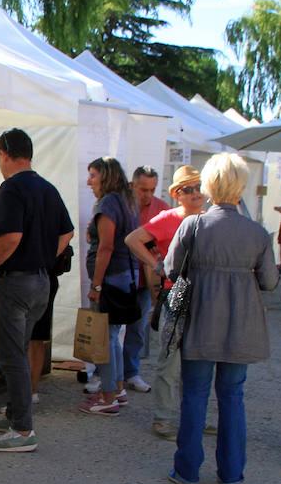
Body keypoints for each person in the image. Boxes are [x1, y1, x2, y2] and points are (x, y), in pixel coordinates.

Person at [163, 154, 278, 484]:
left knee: (194, 395)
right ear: (241, 186)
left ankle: (187, 470)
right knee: (233, 397)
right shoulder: (257, 233)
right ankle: (231, 474)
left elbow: (171, 270)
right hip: (242, 324)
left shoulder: (193, 225)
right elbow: (270, 282)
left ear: (208, 185)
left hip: (199, 320)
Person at [0, 128, 74, 450]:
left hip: (13, 283)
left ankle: (22, 430)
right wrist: (45, 257)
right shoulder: (47, 188)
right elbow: (67, 233)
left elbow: (10, 237)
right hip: (39, 282)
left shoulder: (12, 189)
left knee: (13, 356)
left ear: (5, 153)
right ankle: (15, 412)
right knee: (17, 352)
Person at [125, 165, 206, 439]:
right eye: (188, 189)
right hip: (179, 291)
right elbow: (133, 239)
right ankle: (163, 418)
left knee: (199, 361)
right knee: (170, 360)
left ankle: (194, 417)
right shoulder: (168, 218)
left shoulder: (211, 218)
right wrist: (158, 265)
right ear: (176, 194)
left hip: (206, 295)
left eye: (198, 186)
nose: (195, 193)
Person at [78, 157, 137, 417]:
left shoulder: (109, 203)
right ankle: (117, 388)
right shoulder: (124, 200)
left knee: (106, 337)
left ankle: (109, 395)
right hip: (123, 274)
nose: (89, 181)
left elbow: (106, 246)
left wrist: (97, 284)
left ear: (105, 176)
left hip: (111, 277)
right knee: (113, 335)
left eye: (92, 175)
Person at [122, 165, 167, 394]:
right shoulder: (121, 205)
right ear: (133, 186)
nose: (147, 195)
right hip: (121, 275)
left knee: (137, 328)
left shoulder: (162, 209)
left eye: (151, 189)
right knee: (111, 328)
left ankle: (131, 372)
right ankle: (105, 374)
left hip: (145, 280)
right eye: (143, 189)